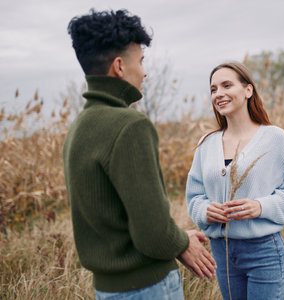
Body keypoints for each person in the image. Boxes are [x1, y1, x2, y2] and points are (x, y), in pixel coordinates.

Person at [63, 9, 216, 299]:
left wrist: (179, 238)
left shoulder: (78, 129)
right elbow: (153, 234)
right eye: (141, 61)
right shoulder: (130, 125)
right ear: (119, 67)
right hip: (148, 288)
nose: (145, 72)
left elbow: (117, 216)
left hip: (108, 290)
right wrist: (181, 244)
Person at [186, 61, 284, 300]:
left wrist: (260, 206)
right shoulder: (206, 144)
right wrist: (206, 210)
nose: (219, 93)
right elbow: (194, 197)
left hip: (263, 252)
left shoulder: (274, 138)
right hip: (222, 253)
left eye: (226, 85)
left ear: (248, 90)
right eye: (213, 89)